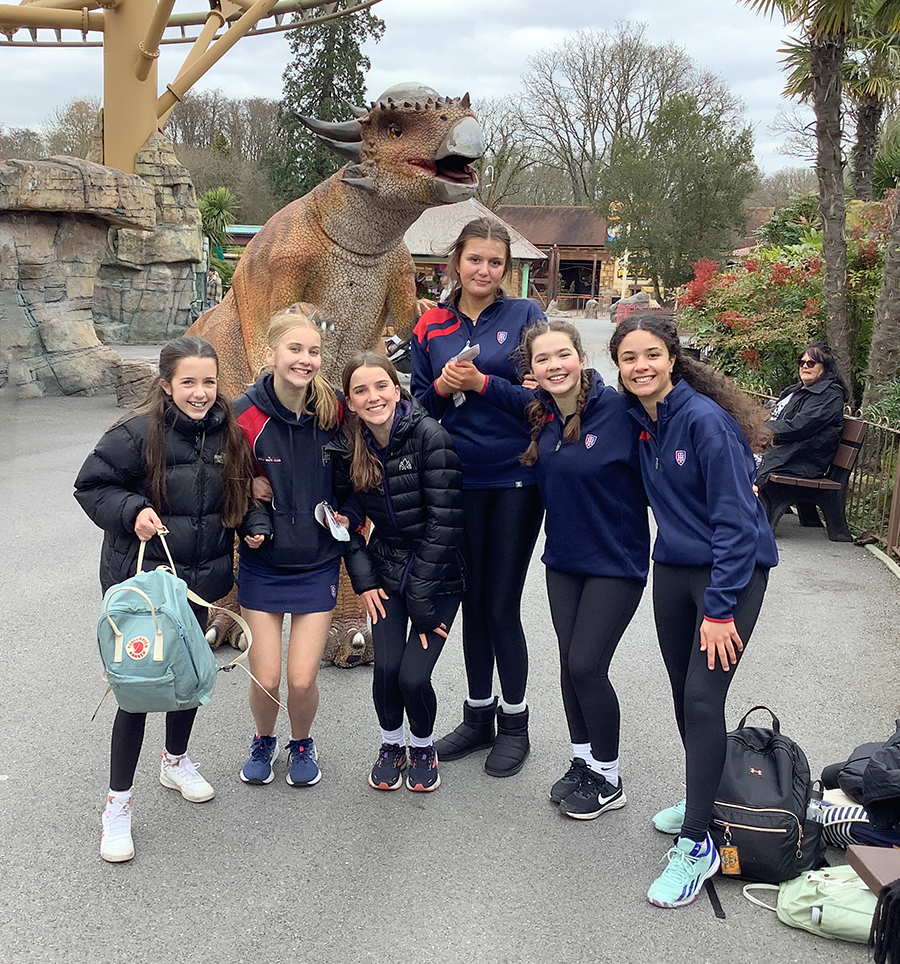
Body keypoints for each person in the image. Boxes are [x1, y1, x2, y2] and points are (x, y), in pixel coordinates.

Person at [609, 312, 778, 908]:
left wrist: (721, 609)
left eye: (651, 354)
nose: (641, 366)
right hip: (673, 570)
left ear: (672, 358)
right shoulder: (640, 418)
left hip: (728, 577)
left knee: (704, 698)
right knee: (686, 694)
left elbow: (737, 523)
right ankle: (702, 795)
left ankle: (698, 841)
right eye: (629, 358)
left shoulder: (705, 421)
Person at [74, 335, 265, 863]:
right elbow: (91, 486)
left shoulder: (230, 433)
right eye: (188, 382)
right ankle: (117, 806)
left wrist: (254, 523)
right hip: (142, 588)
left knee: (188, 678)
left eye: (209, 382)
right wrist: (131, 509)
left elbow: (240, 492)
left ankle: (175, 760)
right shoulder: (136, 433)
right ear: (166, 385)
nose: (200, 392)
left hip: (198, 583)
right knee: (137, 690)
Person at [478, 319, 650, 818]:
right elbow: (505, 396)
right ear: (532, 370)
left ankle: (609, 777)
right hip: (564, 562)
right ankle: (584, 761)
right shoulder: (544, 416)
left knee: (586, 665)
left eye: (562, 355)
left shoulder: (621, 411)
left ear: (580, 356)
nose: (555, 365)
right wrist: (478, 381)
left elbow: (682, 436)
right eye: (543, 359)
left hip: (615, 562)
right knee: (568, 665)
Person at [411, 217, 546, 778]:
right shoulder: (431, 325)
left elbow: (542, 401)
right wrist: (445, 386)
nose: (484, 270)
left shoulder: (526, 317)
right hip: (455, 479)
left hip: (514, 478)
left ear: (506, 267)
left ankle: (515, 723)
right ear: (456, 262)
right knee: (471, 601)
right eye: (475, 259)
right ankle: (478, 715)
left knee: (500, 604)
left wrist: (482, 384)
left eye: (495, 262)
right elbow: (417, 410)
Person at [232, 305, 357, 789]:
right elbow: (221, 480)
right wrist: (246, 495)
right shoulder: (242, 415)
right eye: (295, 349)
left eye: (314, 351)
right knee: (266, 678)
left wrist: (353, 515)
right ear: (271, 354)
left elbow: (360, 470)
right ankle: (263, 739)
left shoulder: (334, 410)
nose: (305, 359)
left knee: (302, 679)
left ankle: (302, 742)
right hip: (263, 564)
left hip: (318, 561)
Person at [340, 353, 465, 792]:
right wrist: (364, 579)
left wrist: (421, 596)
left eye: (381, 386)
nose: (372, 397)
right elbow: (345, 520)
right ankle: (392, 744)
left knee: (413, 677)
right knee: (386, 670)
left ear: (397, 389)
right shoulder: (351, 447)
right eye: (360, 391)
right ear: (350, 402)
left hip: (439, 575)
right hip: (386, 569)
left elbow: (446, 523)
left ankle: (423, 746)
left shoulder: (431, 436)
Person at [756, 341, 849, 491]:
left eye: (811, 363)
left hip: (796, 459)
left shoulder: (829, 395)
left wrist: (760, 430)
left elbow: (799, 426)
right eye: (801, 362)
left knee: (733, 462)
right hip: (777, 452)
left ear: (825, 367)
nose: (805, 366)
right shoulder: (797, 390)